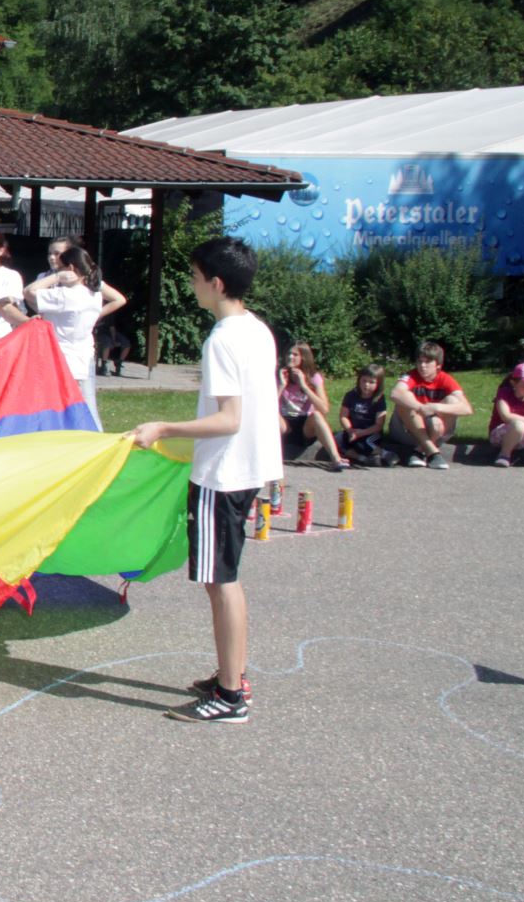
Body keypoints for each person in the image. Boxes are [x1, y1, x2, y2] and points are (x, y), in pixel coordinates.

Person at [127, 237, 281, 725]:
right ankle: (228, 673)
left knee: (221, 583)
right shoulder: (257, 330)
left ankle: (231, 696)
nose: (191, 285)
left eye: (194, 277)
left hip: (223, 474)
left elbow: (229, 419)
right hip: (248, 469)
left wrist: (163, 428)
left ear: (216, 284)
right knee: (223, 580)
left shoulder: (222, 340)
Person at [23, 244, 126, 428]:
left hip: (60, 358)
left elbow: (29, 292)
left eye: (61, 268)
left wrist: (56, 277)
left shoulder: (64, 295)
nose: (58, 271)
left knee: (57, 409)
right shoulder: (94, 293)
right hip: (83, 356)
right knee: (84, 406)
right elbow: (118, 298)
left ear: (70, 269)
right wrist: (97, 314)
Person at [389, 341, 473, 469]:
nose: (422, 366)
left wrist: (436, 407)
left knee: (452, 401)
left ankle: (419, 451)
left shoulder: (445, 379)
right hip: (407, 432)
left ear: (438, 365)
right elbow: (395, 393)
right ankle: (433, 453)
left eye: (428, 362)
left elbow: (467, 409)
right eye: (419, 361)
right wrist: (420, 408)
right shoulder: (411, 376)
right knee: (405, 397)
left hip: (437, 431)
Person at [277, 341, 349, 471]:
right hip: (284, 425)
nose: (290, 357)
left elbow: (324, 409)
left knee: (317, 415)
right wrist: (281, 385)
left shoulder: (314, 377)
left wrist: (304, 385)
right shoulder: (278, 375)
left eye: (295, 354)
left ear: (303, 357)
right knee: (270, 414)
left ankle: (336, 458)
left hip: (305, 426)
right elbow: (266, 406)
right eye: (288, 353)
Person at [338, 364, 391, 467]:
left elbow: (379, 425)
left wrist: (361, 433)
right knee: (339, 441)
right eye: (364, 381)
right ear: (359, 380)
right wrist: (350, 430)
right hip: (353, 430)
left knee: (365, 443)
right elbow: (343, 416)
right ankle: (362, 458)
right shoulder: (351, 395)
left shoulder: (379, 399)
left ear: (378, 384)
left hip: (370, 432)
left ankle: (384, 454)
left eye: (371, 382)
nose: (366, 385)